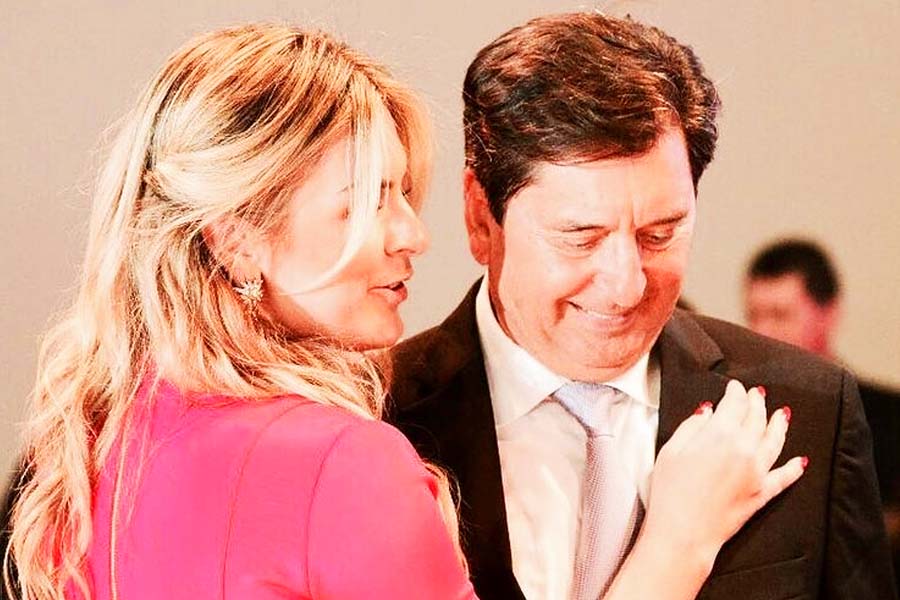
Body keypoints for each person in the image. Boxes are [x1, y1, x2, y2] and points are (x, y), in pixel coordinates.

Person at [1, 22, 806, 600]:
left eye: (403, 193)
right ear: (238, 240)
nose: (412, 234)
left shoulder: (94, 444)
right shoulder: (345, 462)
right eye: (367, 201)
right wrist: (677, 545)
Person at [387, 11, 897, 600]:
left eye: (661, 234)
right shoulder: (378, 415)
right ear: (481, 218)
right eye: (580, 237)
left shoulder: (808, 407)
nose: (626, 286)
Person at [746, 237, 900, 588]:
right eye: (754, 315)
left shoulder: (891, 418)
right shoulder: (744, 418)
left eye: (780, 315)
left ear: (829, 313)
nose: (762, 332)